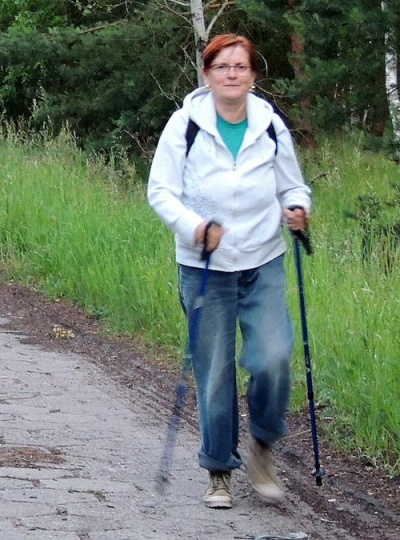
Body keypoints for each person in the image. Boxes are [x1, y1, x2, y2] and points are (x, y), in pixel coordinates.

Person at [147, 34, 312, 510]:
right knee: (215, 373)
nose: (232, 74)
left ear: (254, 75)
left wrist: (297, 208)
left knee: (274, 356)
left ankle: (263, 443)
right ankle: (219, 468)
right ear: (207, 74)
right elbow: (160, 191)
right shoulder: (185, 126)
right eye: (222, 66)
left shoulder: (270, 125)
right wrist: (196, 227)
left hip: (263, 260)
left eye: (241, 66)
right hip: (205, 266)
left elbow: (292, 186)